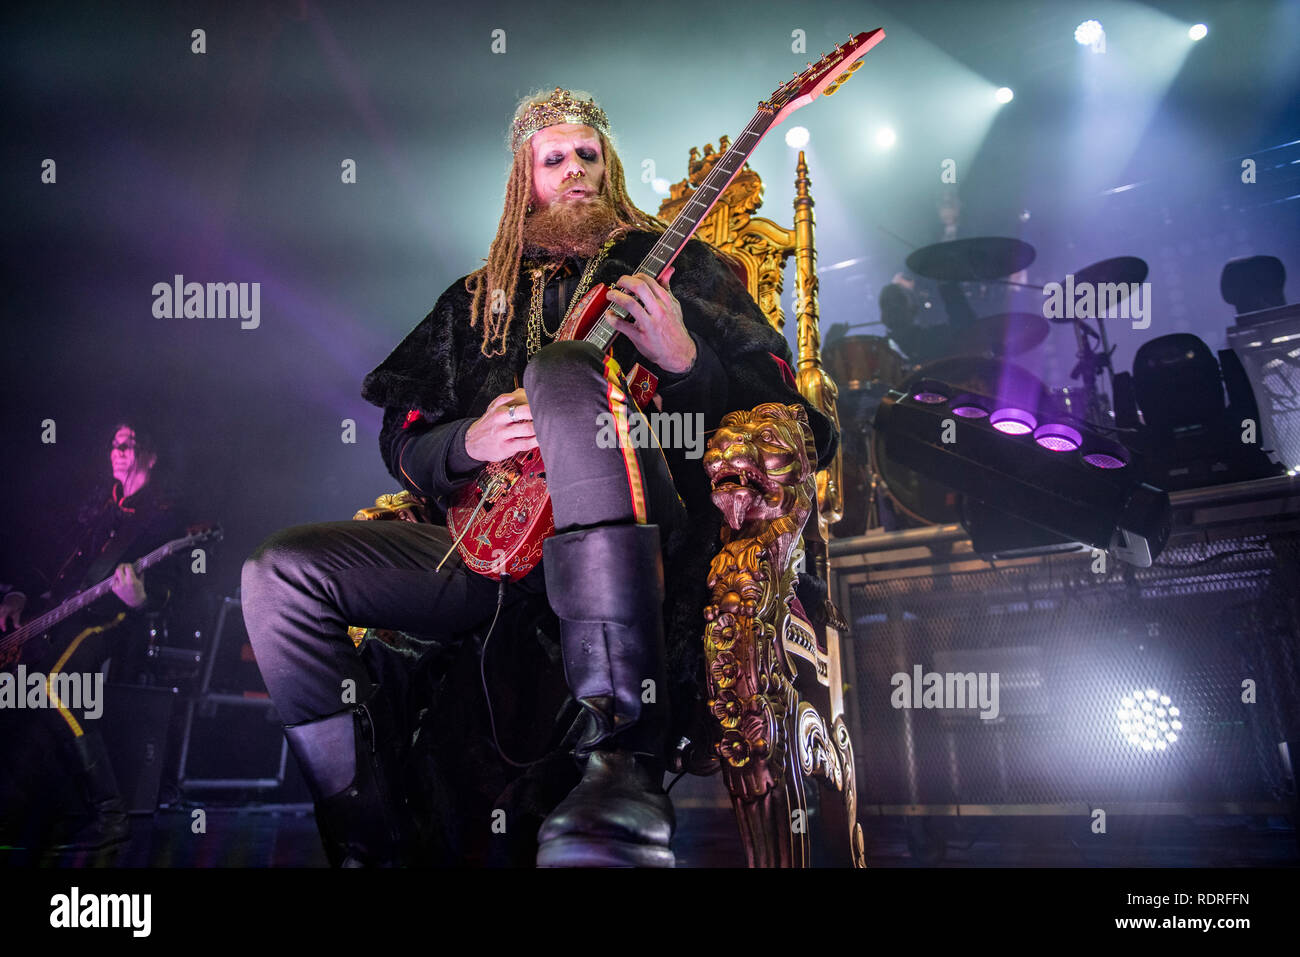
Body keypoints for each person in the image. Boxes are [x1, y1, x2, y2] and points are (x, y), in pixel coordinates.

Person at [240, 87, 836, 867]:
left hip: (640, 528)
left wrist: (686, 361)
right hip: (485, 550)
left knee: (563, 371)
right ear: (527, 179)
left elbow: (781, 412)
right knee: (277, 574)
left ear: (610, 164)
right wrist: (468, 440)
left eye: (589, 154)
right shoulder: (473, 299)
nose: (576, 169)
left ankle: (621, 757)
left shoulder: (687, 268)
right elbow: (404, 438)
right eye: (554, 158)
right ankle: (365, 833)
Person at [0, 421, 184, 851]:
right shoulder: (98, 505)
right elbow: (53, 558)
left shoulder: (163, 517)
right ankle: (52, 810)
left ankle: (110, 812)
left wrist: (141, 596)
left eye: (129, 444)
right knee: (22, 697)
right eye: (113, 444)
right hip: (58, 616)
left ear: (150, 455)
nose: (117, 451)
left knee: (53, 688)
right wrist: (19, 594)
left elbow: (170, 588)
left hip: (113, 622)